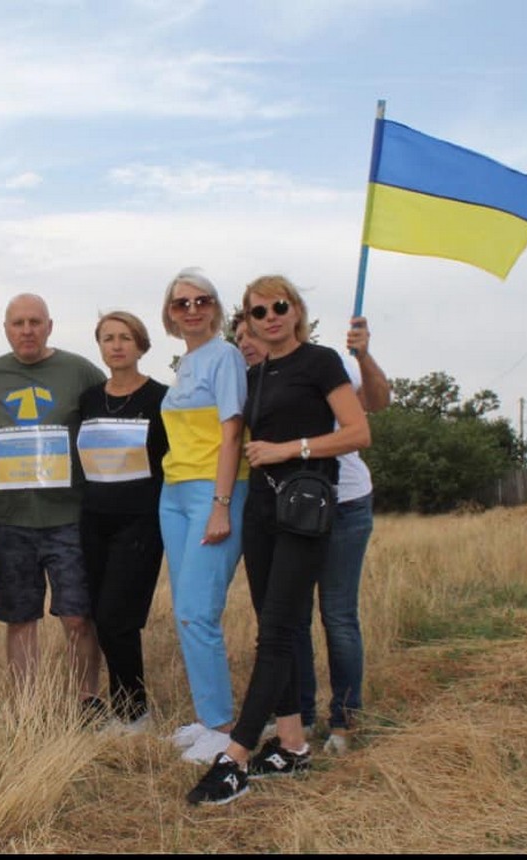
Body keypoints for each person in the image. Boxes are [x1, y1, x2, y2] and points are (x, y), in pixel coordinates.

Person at [187, 275, 370, 806]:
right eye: (256, 311)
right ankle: (291, 745)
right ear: (245, 321)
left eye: (278, 307)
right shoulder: (255, 373)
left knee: (277, 631)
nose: (269, 317)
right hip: (262, 513)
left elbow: (358, 432)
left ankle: (237, 755)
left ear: (296, 310)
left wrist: (292, 448)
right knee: (277, 627)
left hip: (305, 510)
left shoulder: (321, 361)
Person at [235, 312, 390, 755]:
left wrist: (363, 356)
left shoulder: (322, 365)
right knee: (291, 621)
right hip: (289, 512)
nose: (246, 341)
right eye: (239, 335)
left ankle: (343, 720)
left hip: (343, 504)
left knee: (337, 615)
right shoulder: (257, 382)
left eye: (252, 332)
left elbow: (374, 406)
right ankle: (297, 717)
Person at [0, 293, 106, 711]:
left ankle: (87, 701)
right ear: (6, 329)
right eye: (17, 323)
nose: (26, 330)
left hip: (70, 516)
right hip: (9, 520)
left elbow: (108, 422)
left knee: (78, 616)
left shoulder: (80, 371)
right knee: (20, 618)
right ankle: (28, 706)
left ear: (49, 325)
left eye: (34, 322)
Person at [155, 271, 250, 763]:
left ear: (214, 307)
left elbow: (232, 435)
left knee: (198, 611)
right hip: (174, 493)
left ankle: (222, 728)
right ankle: (206, 715)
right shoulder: (187, 360)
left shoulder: (226, 356)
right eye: (180, 303)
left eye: (201, 300)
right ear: (170, 313)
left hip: (212, 494)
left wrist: (221, 503)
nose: (191, 309)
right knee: (186, 611)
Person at [76, 311, 167, 732]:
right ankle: (123, 707)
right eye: (108, 338)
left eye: (126, 337)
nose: (116, 345)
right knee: (101, 615)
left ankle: (135, 713)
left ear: (141, 345)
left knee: (118, 618)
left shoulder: (161, 398)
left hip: (141, 522)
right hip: (94, 522)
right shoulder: (90, 399)